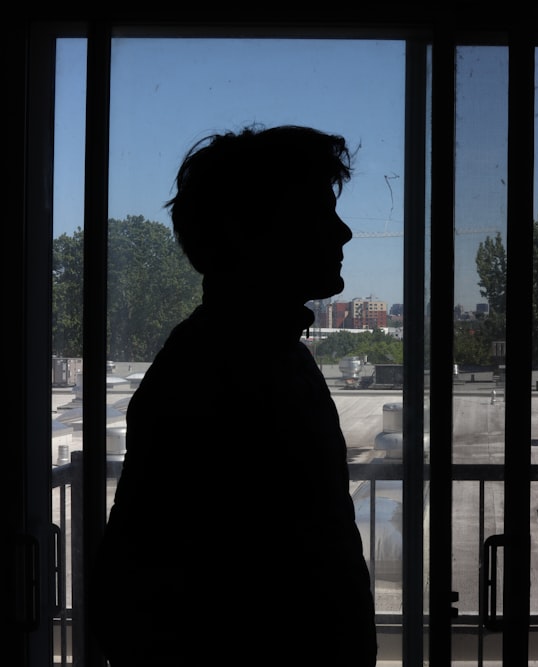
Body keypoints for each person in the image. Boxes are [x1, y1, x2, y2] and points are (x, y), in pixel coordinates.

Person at [94, 125, 377, 666]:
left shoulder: (242, 355)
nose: (342, 233)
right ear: (249, 230)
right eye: (319, 210)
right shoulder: (232, 369)